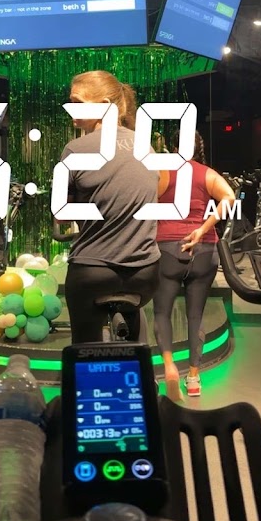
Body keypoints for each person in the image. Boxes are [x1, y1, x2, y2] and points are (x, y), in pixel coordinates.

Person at [60, 70, 161, 344]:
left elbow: (61, 215)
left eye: (77, 102)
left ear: (104, 105)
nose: (70, 109)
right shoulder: (146, 146)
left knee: (86, 348)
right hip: (146, 273)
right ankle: (140, 363)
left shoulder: (75, 148)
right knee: (136, 335)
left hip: (93, 272)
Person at [152, 131, 235, 401]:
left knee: (162, 312)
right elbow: (229, 198)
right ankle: (194, 377)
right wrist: (202, 229)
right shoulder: (207, 173)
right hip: (204, 250)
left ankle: (169, 367)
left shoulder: (163, 170)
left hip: (168, 248)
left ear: (173, 145)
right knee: (195, 315)